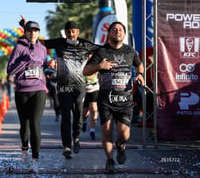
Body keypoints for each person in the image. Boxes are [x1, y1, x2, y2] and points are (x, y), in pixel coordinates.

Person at [83, 21, 144, 173]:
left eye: (120, 30)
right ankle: (110, 160)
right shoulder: (101, 52)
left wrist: (140, 74)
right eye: (114, 30)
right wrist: (99, 67)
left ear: (124, 34)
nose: (117, 32)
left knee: (125, 133)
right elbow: (85, 71)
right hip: (106, 99)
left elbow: (139, 64)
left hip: (125, 100)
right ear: (109, 34)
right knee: (107, 131)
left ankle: (121, 145)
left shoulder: (130, 51)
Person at [42, 21, 100, 159]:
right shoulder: (59, 42)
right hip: (63, 86)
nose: (71, 34)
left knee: (78, 115)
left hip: (80, 87)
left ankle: (76, 138)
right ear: (65, 32)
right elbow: (39, 43)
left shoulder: (86, 44)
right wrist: (26, 29)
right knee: (66, 117)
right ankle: (67, 146)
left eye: (73, 31)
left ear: (78, 32)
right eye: (68, 32)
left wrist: (94, 66)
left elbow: (102, 50)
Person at [7, 21, 47, 173]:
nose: (33, 34)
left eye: (35, 31)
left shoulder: (43, 49)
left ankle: (35, 160)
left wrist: (49, 65)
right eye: (30, 31)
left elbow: (42, 65)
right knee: (25, 125)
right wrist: (25, 62)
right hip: (22, 90)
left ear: (38, 33)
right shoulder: (19, 47)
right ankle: (24, 148)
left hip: (39, 89)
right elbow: (10, 69)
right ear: (25, 32)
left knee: (35, 124)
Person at [82, 71, 99, 140]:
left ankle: (92, 130)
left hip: (94, 88)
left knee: (93, 108)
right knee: (84, 113)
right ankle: (84, 122)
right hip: (84, 90)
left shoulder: (96, 62)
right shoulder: (82, 63)